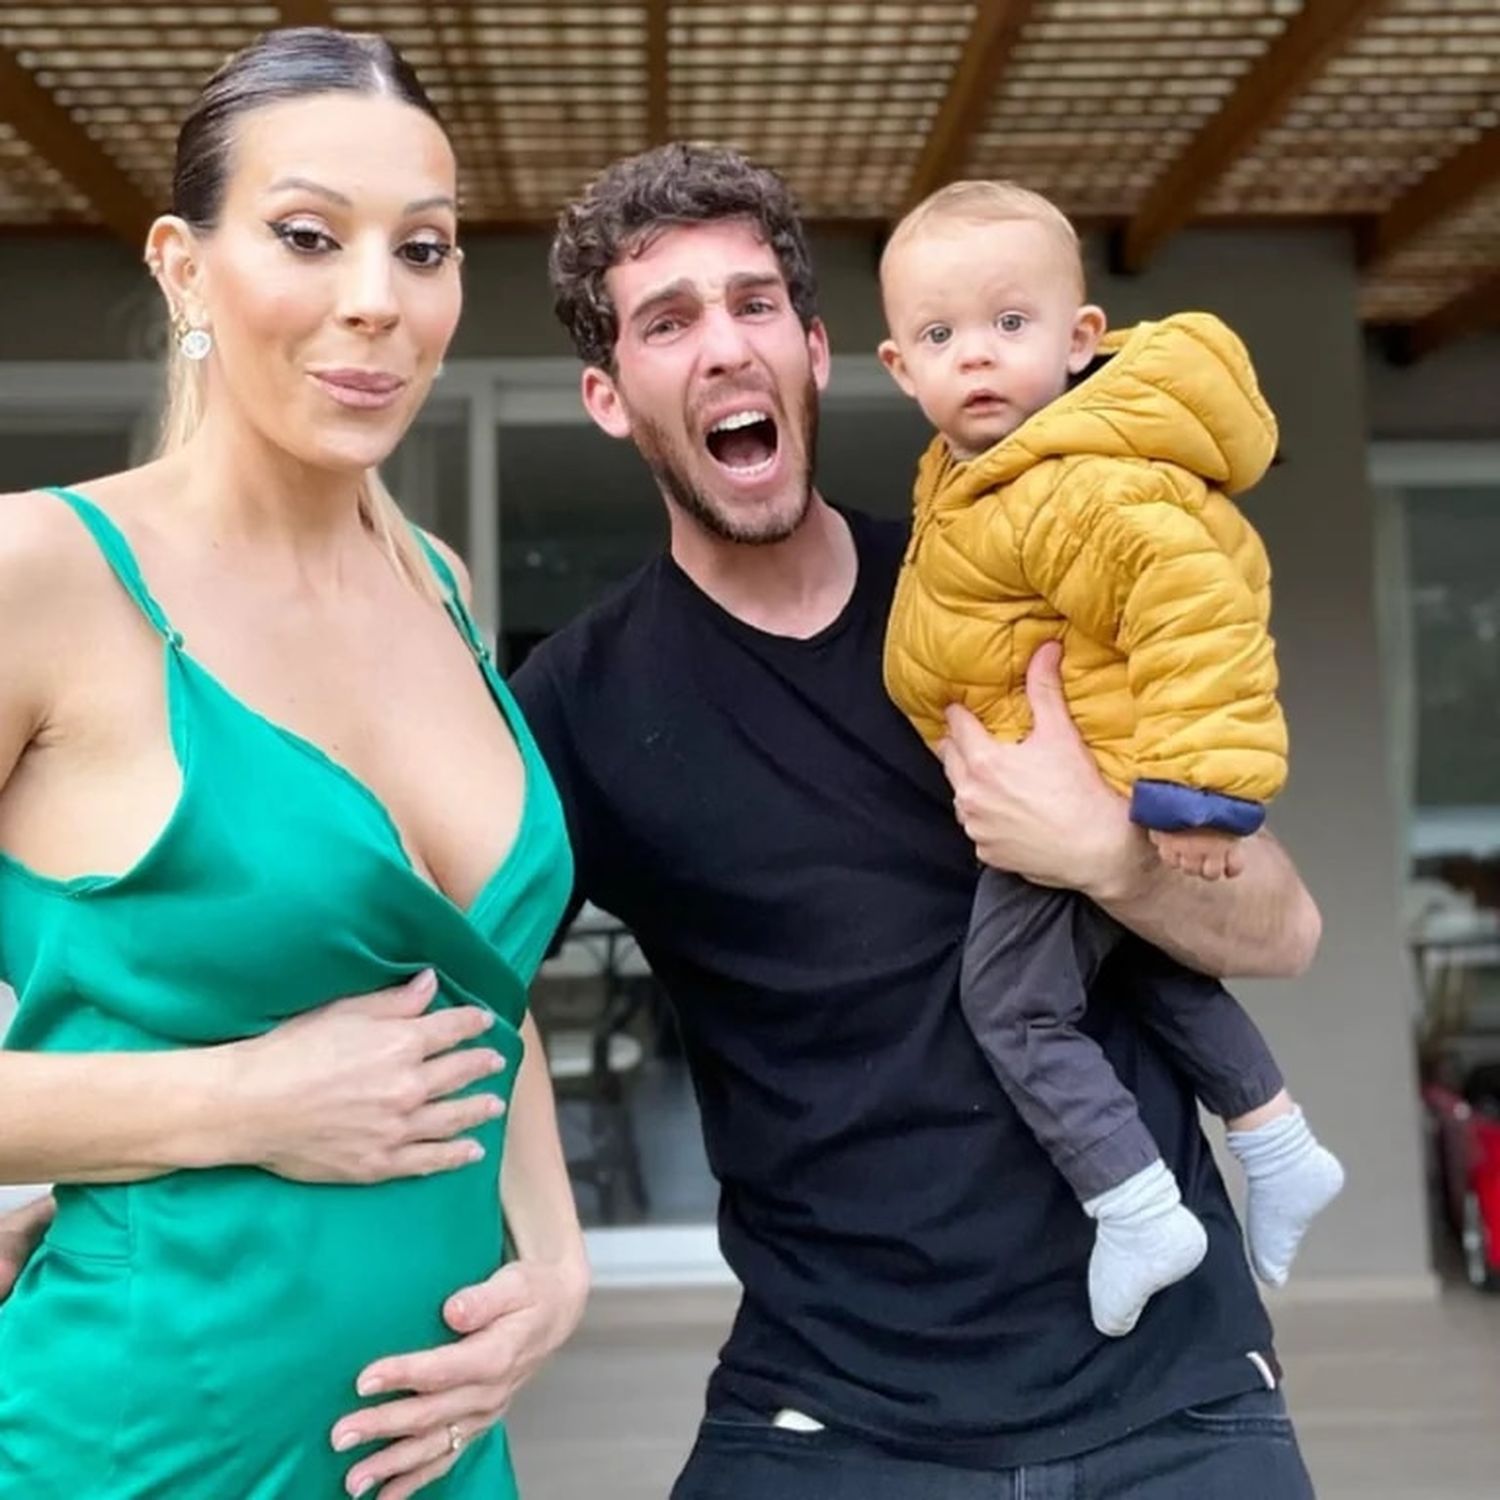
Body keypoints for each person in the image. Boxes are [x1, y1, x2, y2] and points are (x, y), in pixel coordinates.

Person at [519, 141, 1323, 1496]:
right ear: (610, 395)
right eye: (670, 322)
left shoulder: (1000, 591)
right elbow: (442, 984)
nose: (724, 348)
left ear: (823, 352)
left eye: (754, 303)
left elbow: (1284, 925)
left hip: (1174, 1403)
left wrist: (1106, 856)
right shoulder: (577, 708)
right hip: (827, 1418)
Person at [0, 28, 586, 1500]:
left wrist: (559, 1259)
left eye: (428, 248)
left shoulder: (440, 582)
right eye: (310, 237)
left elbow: (472, 993)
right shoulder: (43, 574)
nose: (377, 303)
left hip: (441, 1443)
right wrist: (240, 1101)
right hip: (144, 1441)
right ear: (184, 267)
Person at [876, 180, 1345, 1337]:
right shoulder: (977, 474)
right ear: (899, 368)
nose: (976, 358)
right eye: (942, 337)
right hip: (1087, 767)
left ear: (1082, 340)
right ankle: (1278, 1144)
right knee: (1148, 968)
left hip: (1098, 778)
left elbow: (1196, 608)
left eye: (1010, 325)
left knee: (1014, 1005)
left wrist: (1203, 792)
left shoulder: (1071, 480)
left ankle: (1133, 1203)